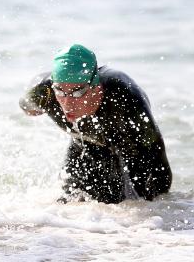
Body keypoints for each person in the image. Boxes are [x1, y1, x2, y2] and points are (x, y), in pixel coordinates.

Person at [19, 44, 172, 204]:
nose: (67, 103)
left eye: (77, 92)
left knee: (134, 206)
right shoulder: (44, 93)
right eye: (60, 91)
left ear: (96, 86)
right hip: (83, 145)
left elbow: (157, 158)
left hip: (129, 150)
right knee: (68, 203)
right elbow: (26, 106)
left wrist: (160, 211)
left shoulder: (125, 98)